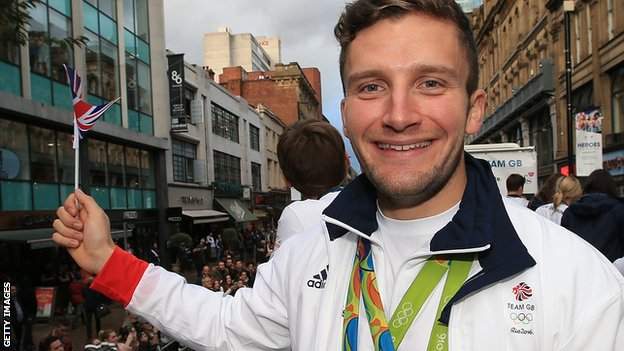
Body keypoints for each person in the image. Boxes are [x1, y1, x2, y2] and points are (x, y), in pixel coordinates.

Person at [52, 1, 624, 350]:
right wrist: (107, 261)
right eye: (372, 86)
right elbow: (226, 327)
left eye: (430, 82)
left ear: (474, 108)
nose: (399, 115)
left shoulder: (577, 283)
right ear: (345, 112)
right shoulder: (310, 253)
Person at [275, 119, 348, 248]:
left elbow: (283, 267)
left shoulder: (296, 215)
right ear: (346, 162)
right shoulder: (375, 204)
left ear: (287, 180)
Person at [562, 169, 624, 262]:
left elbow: (564, 245)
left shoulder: (570, 212)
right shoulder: (619, 210)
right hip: (610, 271)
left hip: (579, 270)